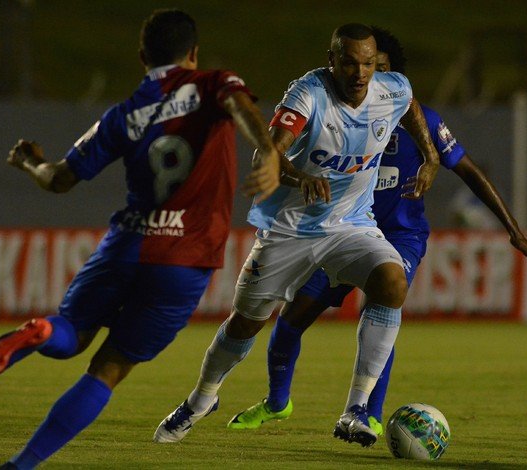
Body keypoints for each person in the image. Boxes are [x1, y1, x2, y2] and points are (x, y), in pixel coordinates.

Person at [0, 9, 280, 469]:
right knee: (108, 369)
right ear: (193, 54)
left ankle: (40, 332)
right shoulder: (216, 83)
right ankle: (20, 466)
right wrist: (269, 153)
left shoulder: (122, 114)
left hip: (125, 244)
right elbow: (239, 106)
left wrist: (27, 163)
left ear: (143, 57)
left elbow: (59, 178)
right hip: (182, 259)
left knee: (71, 333)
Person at [225, 26, 527, 437]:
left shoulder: (419, 120)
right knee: (293, 315)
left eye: (377, 69)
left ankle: (366, 413)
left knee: (383, 300)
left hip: (400, 236)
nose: (366, 79)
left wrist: (513, 229)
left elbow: (467, 170)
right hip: (342, 231)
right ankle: (277, 403)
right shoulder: (336, 116)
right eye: (358, 67)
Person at [153, 23, 440, 448]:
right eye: (349, 63)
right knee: (245, 323)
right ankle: (201, 399)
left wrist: (430, 156)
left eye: (366, 64)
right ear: (332, 62)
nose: (360, 73)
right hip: (290, 230)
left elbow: (410, 103)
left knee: (392, 280)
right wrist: (299, 174)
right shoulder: (308, 94)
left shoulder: (391, 88)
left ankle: (356, 408)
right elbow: (268, 150)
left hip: (351, 225)